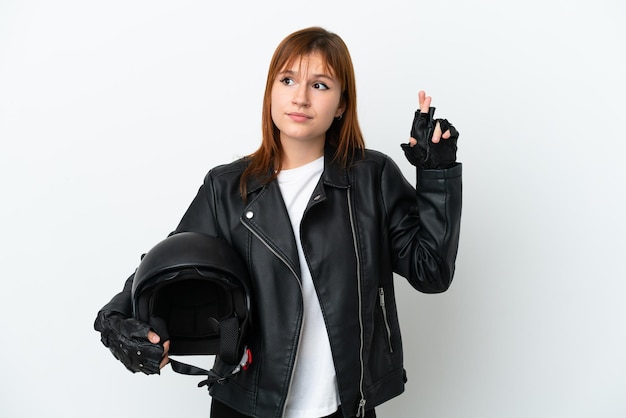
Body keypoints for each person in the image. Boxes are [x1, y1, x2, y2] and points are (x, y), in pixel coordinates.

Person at [94, 26, 462, 418]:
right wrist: (117, 320)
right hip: (246, 405)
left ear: (341, 104)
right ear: (271, 91)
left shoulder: (372, 179)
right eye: (287, 80)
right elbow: (164, 267)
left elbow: (431, 272)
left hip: (345, 407)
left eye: (320, 85)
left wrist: (437, 174)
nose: (300, 97)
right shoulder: (226, 188)